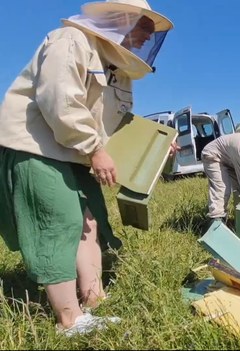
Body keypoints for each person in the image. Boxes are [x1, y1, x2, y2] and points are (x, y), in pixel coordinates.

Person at [0, 0, 174, 336]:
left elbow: (117, 123)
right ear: (122, 20)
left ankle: (94, 299)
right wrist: (94, 148)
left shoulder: (117, 70)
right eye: (143, 29)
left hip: (73, 153)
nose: (144, 41)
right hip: (37, 148)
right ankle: (70, 319)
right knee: (59, 223)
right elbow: (59, 100)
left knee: (90, 222)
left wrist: (159, 142)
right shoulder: (70, 41)